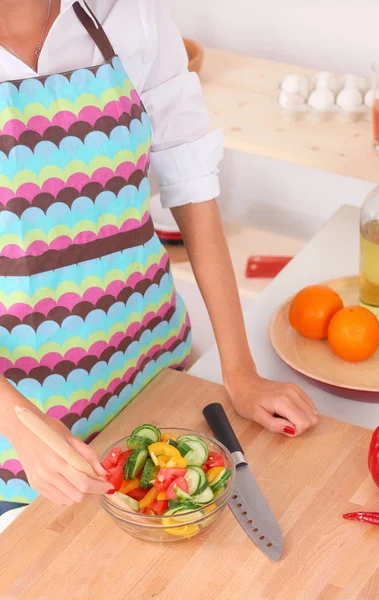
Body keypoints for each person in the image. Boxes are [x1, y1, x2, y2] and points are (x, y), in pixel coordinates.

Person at [0, 0, 318, 517]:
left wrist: (239, 370)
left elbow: (193, 192)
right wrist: (15, 420)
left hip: (152, 373)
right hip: (23, 429)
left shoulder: (130, 16)